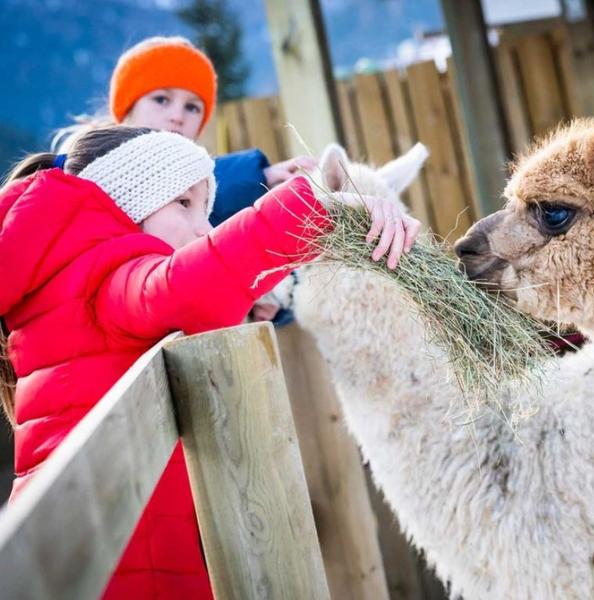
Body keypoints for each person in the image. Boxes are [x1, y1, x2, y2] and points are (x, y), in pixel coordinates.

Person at [0, 126, 419, 598]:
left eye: (206, 207)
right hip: (121, 563)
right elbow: (183, 287)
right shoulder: (110, 278)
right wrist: (316, 207)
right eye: (184, 203)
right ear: (126, 203)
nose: (205, 226)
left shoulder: (76, 275)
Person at [58, 35, 314, 323]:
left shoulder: (203, 211)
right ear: (127, 109)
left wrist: (269, 299)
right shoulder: (83, 175)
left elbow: (230, 256)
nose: (177, 116)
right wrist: (255, 176)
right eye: (161, 99)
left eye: (192, 107)